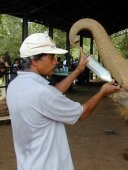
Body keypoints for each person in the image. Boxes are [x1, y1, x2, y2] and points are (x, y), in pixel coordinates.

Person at [6, 33, 120, 170]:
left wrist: (78, 70)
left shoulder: (14, 85)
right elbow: (82, 113)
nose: (56, 61)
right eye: (51, 56)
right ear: (35, 60)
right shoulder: (42, 93)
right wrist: (102, 92)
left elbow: (53, 93)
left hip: (28, 164)